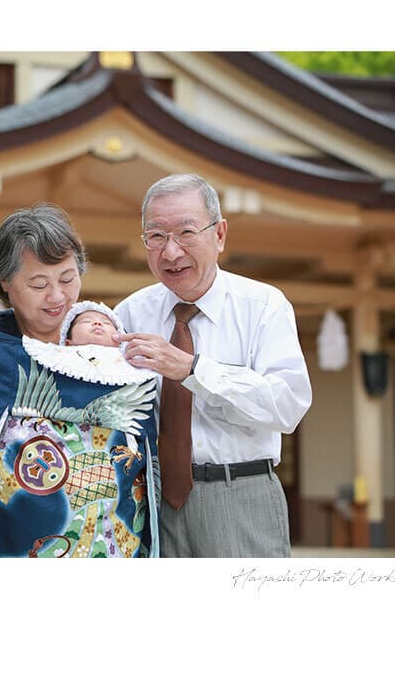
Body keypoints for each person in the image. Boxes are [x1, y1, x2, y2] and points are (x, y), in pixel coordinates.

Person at [0, 204, 160, 558]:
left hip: (108, 544)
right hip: (3, 544)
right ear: (4, 284)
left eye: (68, 279)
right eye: (39, 284)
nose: (57, 296)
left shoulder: (115, 351)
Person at [113, 173, 312, 558]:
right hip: (149, 501)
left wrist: (192, 370)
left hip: (239, 493)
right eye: (156, 236)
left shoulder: (264, 306)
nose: (170, 252)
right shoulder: (131, 313)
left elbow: (287, 406)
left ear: (219, 234)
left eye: (186, 232)